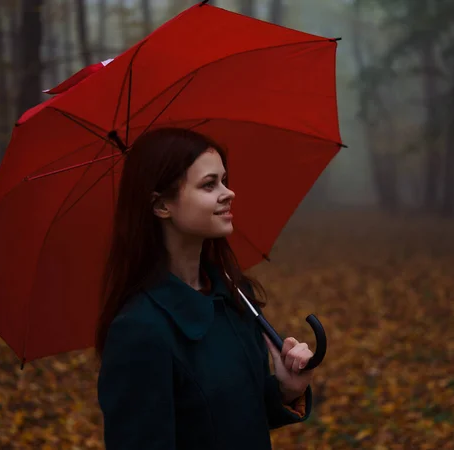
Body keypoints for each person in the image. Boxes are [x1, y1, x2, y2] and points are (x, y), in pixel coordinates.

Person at [95, 127, 315, 449]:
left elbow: (229, 419)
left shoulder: (234, 297)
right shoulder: (140, 332)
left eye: (224, 180)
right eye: (209, 185)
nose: (229, 193)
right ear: (161, 206)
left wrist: (285, 391)